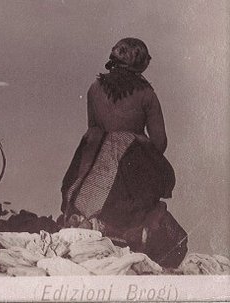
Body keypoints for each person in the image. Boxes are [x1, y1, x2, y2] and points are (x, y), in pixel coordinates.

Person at [59, 38, 184, 265]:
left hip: (91, 161)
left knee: (81, 194)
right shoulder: (147, 94)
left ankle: (84, 223)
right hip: (129, 169)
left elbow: (93, 128)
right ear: (141, 63)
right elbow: (160, 142)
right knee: (141, 209)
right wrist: (140, 150)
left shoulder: (94, 88)